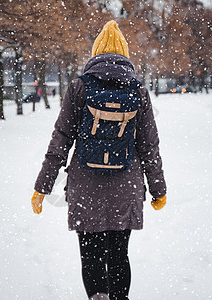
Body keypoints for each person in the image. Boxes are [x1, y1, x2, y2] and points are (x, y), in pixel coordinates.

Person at [31, 20, 167, 300]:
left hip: (85, 189)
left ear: (95, 54)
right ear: (125, 55)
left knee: (91, 255)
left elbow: (61, 139)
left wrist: (42, 187)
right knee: (118, 255)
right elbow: (149, 146)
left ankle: (98, 297)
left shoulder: (79, 88)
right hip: (125, 187)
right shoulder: (138, 92)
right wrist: (158, 189)